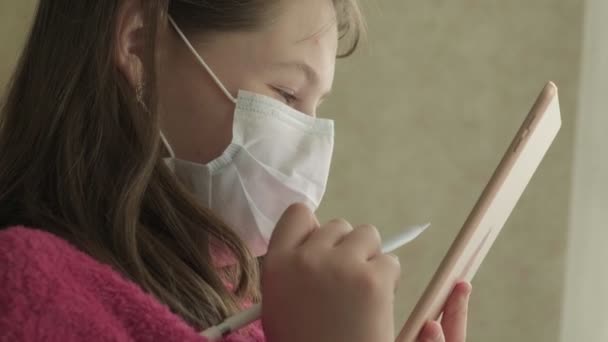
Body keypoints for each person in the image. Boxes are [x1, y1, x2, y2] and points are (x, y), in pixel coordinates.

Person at [0, 0, 472, 341]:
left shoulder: (253, 310)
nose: (309, 141)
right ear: (137, 43)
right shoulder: (23, 283)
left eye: (314, 106)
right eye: (287, 94)